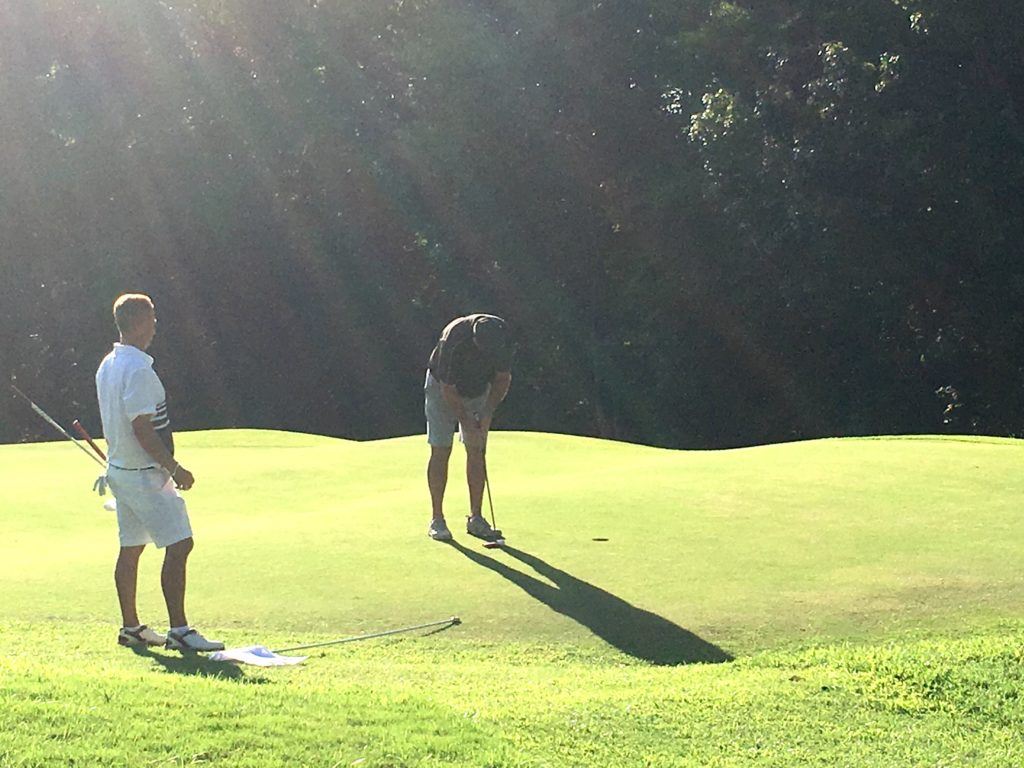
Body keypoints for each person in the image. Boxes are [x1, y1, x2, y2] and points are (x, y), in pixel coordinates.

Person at [95, 293, 223, 652]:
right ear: (137, 322)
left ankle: (131, 628)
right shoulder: (137, 369)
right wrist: (175, 467)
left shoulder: (109, 363)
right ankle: (179, 631)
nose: (155, 325)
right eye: (151, 319)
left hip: (122, 471)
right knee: (181, 543)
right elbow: (142, 427)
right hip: (144, 475)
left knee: (131, 546)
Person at [425, 313, 514, 541]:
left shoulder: (501, 336)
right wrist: (465, 419)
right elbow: (448, 389)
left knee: (476, 449)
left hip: (478, 390)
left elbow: (503, 378)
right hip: (441, 388)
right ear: (474, 339)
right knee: (441, 448)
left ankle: (476, 518)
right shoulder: (453, 338)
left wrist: (487, 412)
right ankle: (437, 519)